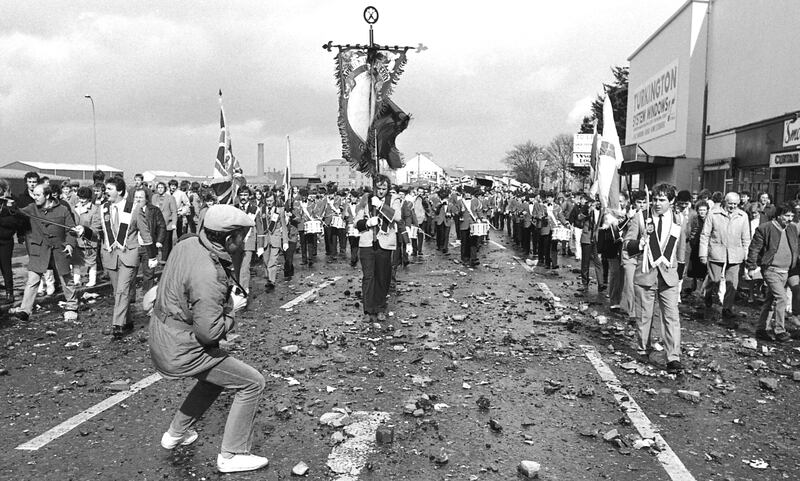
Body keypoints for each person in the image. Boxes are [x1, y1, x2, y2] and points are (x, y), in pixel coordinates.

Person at [148, 204, 268, 474]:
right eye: (242, 236)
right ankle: (232, 454)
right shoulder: (208, 275)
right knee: (252, 382)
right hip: (182, 347)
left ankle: (175, 434)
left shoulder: (188, 244)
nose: (244, 241)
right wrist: (233, 310)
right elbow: (209, 332)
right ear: (228, 239)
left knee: (216, 379)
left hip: (163, 335)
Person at [622, 183, 686, 374]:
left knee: (671, 317)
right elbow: (627, 244)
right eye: (655, 199)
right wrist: (639, 245)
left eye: (662, 200)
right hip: (646, 274)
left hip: (669, 276)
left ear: (671, 201)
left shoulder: (678, 220)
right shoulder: (641, 218)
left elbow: (681, 251)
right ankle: (643, 348)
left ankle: (673, 357)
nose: (657, 204)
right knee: (644, 316)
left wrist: (680, 278)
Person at [10, 183, 81, 322]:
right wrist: (10, 206)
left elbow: (72, 230)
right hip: (39, 250)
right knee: (32, 280)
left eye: (38, 195)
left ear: (47, 195)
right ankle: (25, 310)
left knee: (65, 279)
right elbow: (17, 213)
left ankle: (72, 305)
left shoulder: (63, 209)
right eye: (34, 195)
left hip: (59, 250)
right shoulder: (31, 208)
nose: (35, 198)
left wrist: (70, 245)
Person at [99, 177, 158, 338]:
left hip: (129, 254)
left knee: (123, 290)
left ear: (119, 191)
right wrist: (83, 230)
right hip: (111, 255)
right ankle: (128, 320)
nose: (106, 192)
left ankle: (117, 325)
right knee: (117, 290)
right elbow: (97, 231)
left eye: (109, 189)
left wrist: (152, 256)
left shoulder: (134, 209)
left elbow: (145, 234)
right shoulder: (103, 208)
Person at [746, 202, 797, 343]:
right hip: (771, 270)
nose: (790, 218)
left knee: (770, 300)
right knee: (782, 298)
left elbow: (795, 248)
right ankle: (780, 330)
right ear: (779, 215)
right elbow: (754, 248)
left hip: (786, 271)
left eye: (792, 215)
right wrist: (751, 266)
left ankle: (761, 329)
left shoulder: (792, 228)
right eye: (787, 215)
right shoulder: (765, 228)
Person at [698, 191, 750, 327]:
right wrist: (703, 254)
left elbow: (746, 238)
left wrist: (746, 256)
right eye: (730, 203)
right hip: (716, 251)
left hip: (735, 253)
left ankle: (727, 308)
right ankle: (708, 294)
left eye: (735, 204)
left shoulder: (742, 216)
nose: (732, 206)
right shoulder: (713, 214)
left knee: (732, 283)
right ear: (724, 202)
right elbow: (705, 235)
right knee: (714, 279)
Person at [355, 175, 400, 322]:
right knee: (368, 277)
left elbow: (398, 217)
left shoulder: (393, 199)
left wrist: (381, 206)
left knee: (382, 276)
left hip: (385, 242)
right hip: (367, 242)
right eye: (378, 188)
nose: (381, 192)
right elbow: (357, 222)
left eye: (384, 189)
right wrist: (367, 223)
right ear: (374, 187)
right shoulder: (366, 199)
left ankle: (380, 308)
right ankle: (368, 310)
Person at [129, 187, 166, 298]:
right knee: (130, 273)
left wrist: (159, 240)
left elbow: (161, 226)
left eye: (140, 197)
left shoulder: (154, 210)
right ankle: (130, 297)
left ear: (146, 199)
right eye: (136, 197)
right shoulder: (128, 209)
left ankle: (147, 297)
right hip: (133, 246)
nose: (137, 199)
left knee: (149, 273)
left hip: (149, 246)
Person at [71, 187, 103, 287]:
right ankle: (76, 280)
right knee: (76, 260)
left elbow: (96, 228)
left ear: (89, 198)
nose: (81, 201)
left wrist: (84, 229)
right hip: (76, 240)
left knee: (91, 261)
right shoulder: (74, 208)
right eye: (80, 198)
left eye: (84, 198)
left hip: (89, 241)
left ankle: (92, 280)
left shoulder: (95, 210)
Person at [0, 179, 26, 303]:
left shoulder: (11, 203)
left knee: (6, 266)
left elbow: (18, 221)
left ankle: (10, 293)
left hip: (5, 240)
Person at [257, 193, 288, 292]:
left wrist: (285, 241)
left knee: (272, 261)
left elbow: (284, 226)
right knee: (265, 261)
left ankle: (272, 281)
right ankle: (268, 278)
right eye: (267, 201)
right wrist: (259, 244)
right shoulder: (261, 210)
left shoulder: (279, 211)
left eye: (271, 201)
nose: (269, 203)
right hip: (265, 239)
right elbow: (260, 228)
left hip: (276, 238)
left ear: (274, 200)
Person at [579, 196, 605, 293]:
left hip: (596, 239)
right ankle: (584, 284)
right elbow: (579, 217)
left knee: (598, 262)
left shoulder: (602, 211)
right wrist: (588, 211)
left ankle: (601, 284)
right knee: (585, 263)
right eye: (595, 201)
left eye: (598, 201)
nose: (597, 203)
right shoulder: (586, 208)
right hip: (586, 238)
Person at [152, 182, 178, 261]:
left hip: (167, 224)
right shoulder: (154, 197)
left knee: (166, 243)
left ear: (165, 189)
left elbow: (174, 211)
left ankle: (165, 259)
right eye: (158, 187)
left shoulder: (170, 198)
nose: (160, 189)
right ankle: (155, 257)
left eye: (162, 187)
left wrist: (174, 223)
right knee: (156, 241)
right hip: (156, 223)